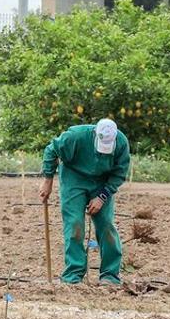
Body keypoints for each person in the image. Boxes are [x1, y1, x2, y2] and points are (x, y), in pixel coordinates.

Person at [39, 118, 131, 285]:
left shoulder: (121, 143)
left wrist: (102, 196)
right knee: (75, 225)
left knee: (106, 225)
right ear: (95, 134)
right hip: (74, 178)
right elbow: (51, 150)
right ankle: (73, 274)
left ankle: (110, 275)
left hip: (102, 183)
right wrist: (48, 179)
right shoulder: (75, 136)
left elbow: (119, 173)